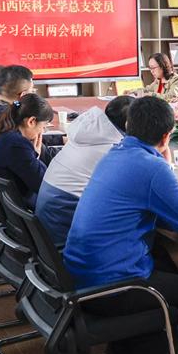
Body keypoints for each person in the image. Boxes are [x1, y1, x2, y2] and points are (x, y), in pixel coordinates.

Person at [63, 96, 178, 354]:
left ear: (127, 126)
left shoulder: (113, 154)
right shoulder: (151, 167)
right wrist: (164, 165)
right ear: (166, 136)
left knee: (168, 263)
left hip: (79, 276)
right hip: (112, 286)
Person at [35, 96, 134, 246]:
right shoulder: (114, 149)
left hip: (48, 230)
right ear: (129, 124)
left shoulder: (90, 134)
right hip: (66, 235)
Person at [0, 93, 53, 214]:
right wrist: (37, 156)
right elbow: (42, 186)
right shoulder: (16, 145)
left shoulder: (3, 130)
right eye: (44, 126)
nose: (42, 131)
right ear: (31, 121)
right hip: (1, 211)